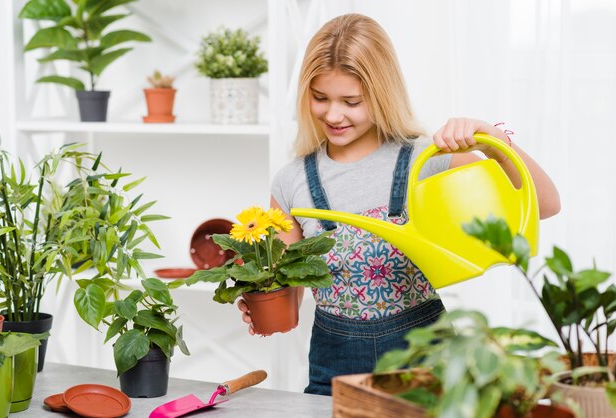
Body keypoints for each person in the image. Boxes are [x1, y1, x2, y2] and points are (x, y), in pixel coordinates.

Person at [237, 13, 560, 396]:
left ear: (382, 93)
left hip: (427, 359)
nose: (333, 114)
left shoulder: (428, 160)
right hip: (333, 364)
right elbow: (287, 301)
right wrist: (258, 298)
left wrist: (492, 141)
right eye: (320, 98)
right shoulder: (292, 181)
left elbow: (544, 203)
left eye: (351, 101)